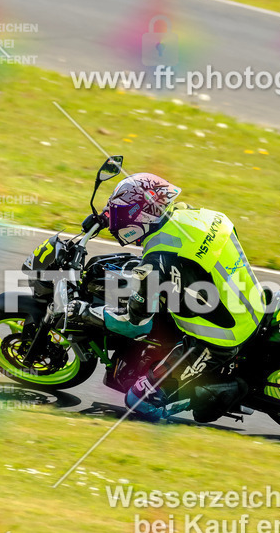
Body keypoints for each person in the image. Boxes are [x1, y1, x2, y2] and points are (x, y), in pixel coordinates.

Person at [74, 173, 266, 422]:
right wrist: (104, 217)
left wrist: (85, 313)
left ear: (140, 215)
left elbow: (135, 322)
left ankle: (218, 392)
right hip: (250, 298)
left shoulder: (157, 259)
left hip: (222, 337)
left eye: (120, 214)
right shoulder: (202, 216)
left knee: (137, 401)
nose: (116, 222)